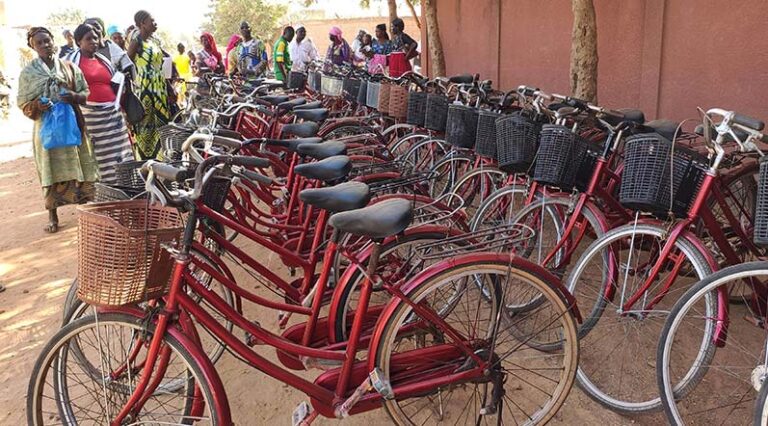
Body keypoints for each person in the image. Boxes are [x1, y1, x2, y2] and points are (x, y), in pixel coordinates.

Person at [17, 27, 99, 233]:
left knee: (80, 162)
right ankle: (52, 216)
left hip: (72, 126)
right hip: (47, 130)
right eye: (39, 43)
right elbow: (22, 102)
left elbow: (85, 92)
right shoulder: (28, 74)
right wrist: (37, 105)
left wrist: (73, 95)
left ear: (54, 41)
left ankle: (86, 210)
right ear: (32, 47)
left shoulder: (69, 67)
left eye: (47, 41)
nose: (45, 45)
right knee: (49, 169)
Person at [71, 24, 134, 185]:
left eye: (95, 38)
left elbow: (113, 81)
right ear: (79, 42)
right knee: (100, 156)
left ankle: (125, 187)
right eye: (88, 39)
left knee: (122, 154)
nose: (94, 41)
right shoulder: (71, 63)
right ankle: (107, 191)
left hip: (113, 115)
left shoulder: (103, 60)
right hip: (92, 119)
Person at [127, 10, 173, 159]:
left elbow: (162, 66)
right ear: (142, 24)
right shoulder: (136, 42)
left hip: (160, 90)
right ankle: (146, 162)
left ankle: (163, 160)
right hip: (145, 91)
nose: (155, 23)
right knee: (146, 126)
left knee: (163, 124)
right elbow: (127, 65)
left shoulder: (155, 42)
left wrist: (169, 87)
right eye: (152, 21)